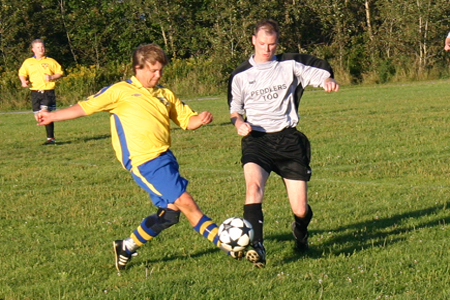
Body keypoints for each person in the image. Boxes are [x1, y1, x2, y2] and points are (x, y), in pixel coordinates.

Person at [38, 43, 236, 272]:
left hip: (166, 158)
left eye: (160, 70)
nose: (158, 74)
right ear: (137, 68)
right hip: (144, 161)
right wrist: (52, 116)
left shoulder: (165, 94)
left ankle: (126, 246)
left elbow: (186, 121)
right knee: (186, 203)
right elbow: (84, 108)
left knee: (171, 214)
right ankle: (229, 245)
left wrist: (199, 119)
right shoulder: (119, 91)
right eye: (153, 70)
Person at [228, 19, 339, 268]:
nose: (267, 49)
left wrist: (327, 81)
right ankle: (257, 245)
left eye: (272, 44)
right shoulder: (240, 75)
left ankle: (300, 232)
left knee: (300, 209)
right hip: (256, 140)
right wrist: (239, 124)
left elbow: (316, 73)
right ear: (253, 41)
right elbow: (235, 110)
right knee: (253, 188)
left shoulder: (289, 65)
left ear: (277, 43)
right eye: (263, 44)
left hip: (288, 140)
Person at [19, 39, 63, 145]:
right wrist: (23, 81)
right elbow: (22, 73)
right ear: (33, 50)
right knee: (38, 117)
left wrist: (52, 76)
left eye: (42, 47)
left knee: (45, 113)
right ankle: (50, 137)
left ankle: (51, 139)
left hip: (48, 92)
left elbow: (59, 72)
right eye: (38, 47)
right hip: (35, 92)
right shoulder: (28, 62)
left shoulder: (50, 61)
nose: (41, 49)